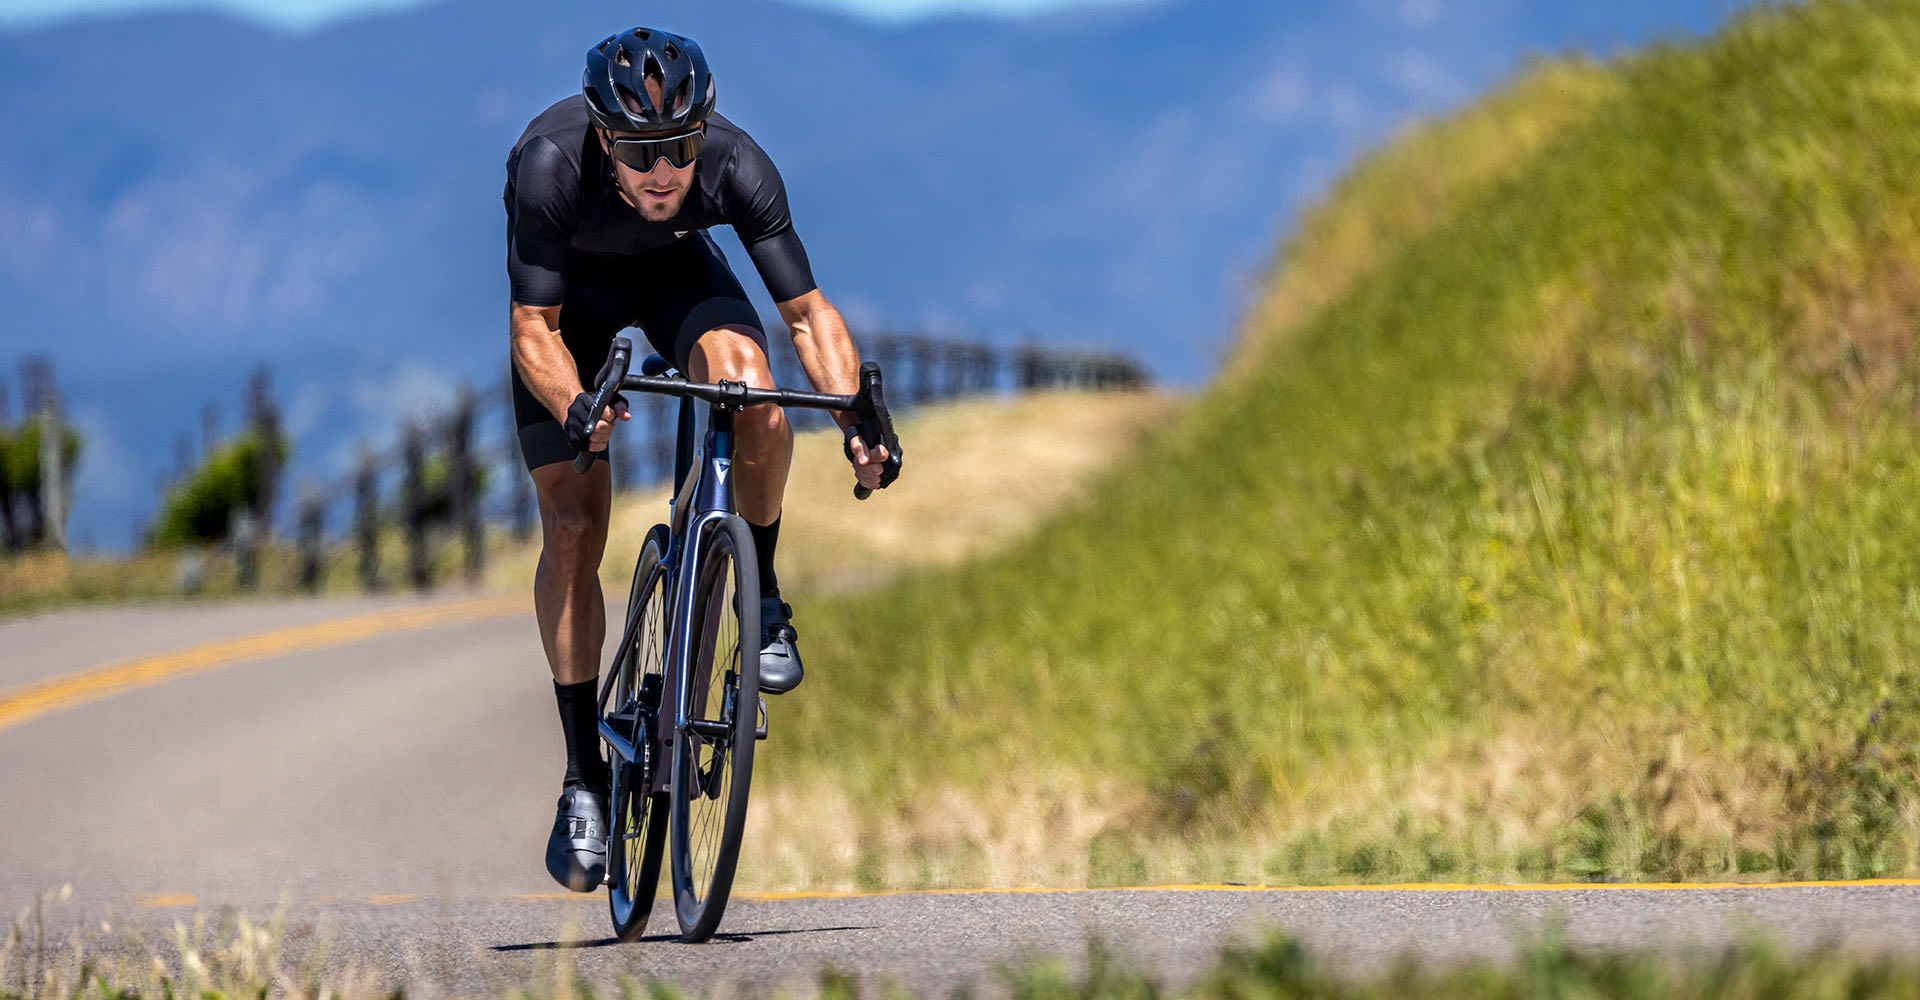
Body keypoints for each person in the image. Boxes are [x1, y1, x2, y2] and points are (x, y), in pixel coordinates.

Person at [503, 25, 894, 892]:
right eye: (640, 151)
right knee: (571, 523)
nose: (662, 171)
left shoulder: (737, 165)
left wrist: (857, 419)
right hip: (574, 310)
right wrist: (577, 408)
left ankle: (762, 590)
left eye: (678, 148)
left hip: (681, 277)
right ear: (605, 138)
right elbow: (535, 328)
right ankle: (583, 779)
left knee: (751, 393)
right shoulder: (547, 164)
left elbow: (808, 315)